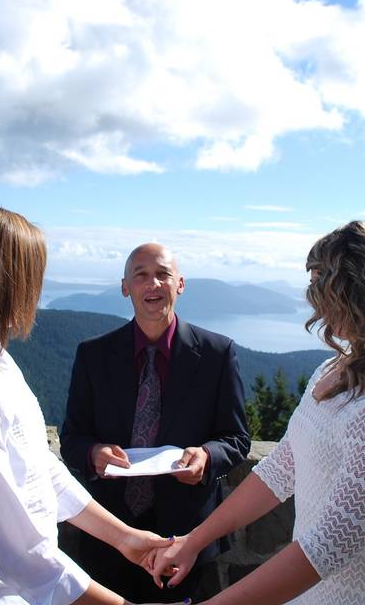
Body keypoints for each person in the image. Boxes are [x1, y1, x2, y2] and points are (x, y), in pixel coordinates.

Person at [0, 203, 176, 605]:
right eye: (30, 275)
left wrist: (126, 539)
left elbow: (39, 469)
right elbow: (20, 554)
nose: (36, 292)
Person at [152, 221, 365, 605]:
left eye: (324, 289)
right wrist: (194, 540)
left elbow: (327, 548)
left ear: (362, 292)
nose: (316, 306)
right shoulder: (334, 371)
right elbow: (282, 467)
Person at [60, 243, 251, 602]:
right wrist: (94, 453)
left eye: (163, 274)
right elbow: (72, 437)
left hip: (185, 539)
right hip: (109, 533)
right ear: (125, 287)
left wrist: (207, 457)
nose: (153, 284)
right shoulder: (93, 355)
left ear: (180, 284)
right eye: (141, 276)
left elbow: (237, 438)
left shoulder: (217, 354)